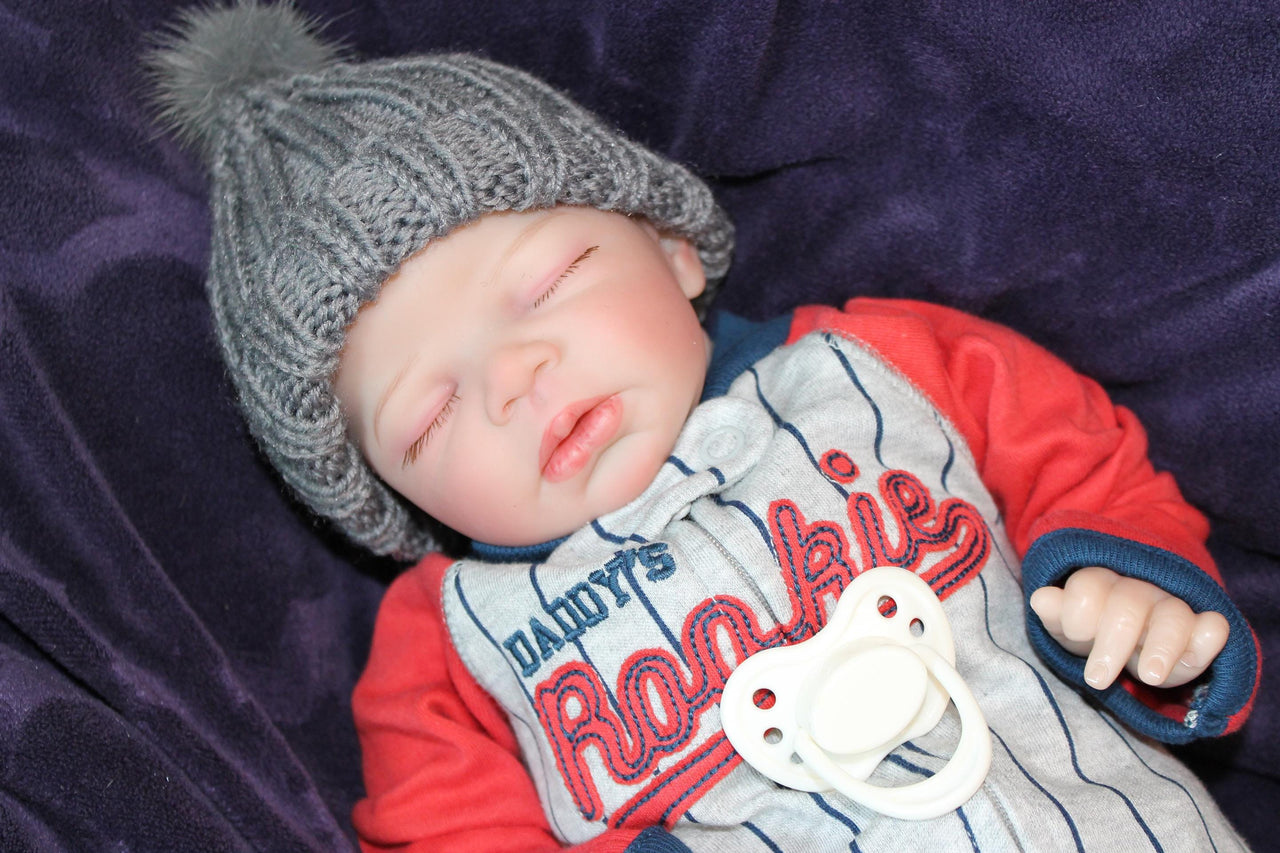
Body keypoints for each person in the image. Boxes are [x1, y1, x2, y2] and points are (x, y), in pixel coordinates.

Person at [147, 3, 1259, 851]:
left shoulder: (876, 364)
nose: (514, 377)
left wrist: (1132, 586)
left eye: (546, 284)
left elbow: (1077, 459)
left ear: (672, 248)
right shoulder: (449, 653)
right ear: (384, 496)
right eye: (429, 415)